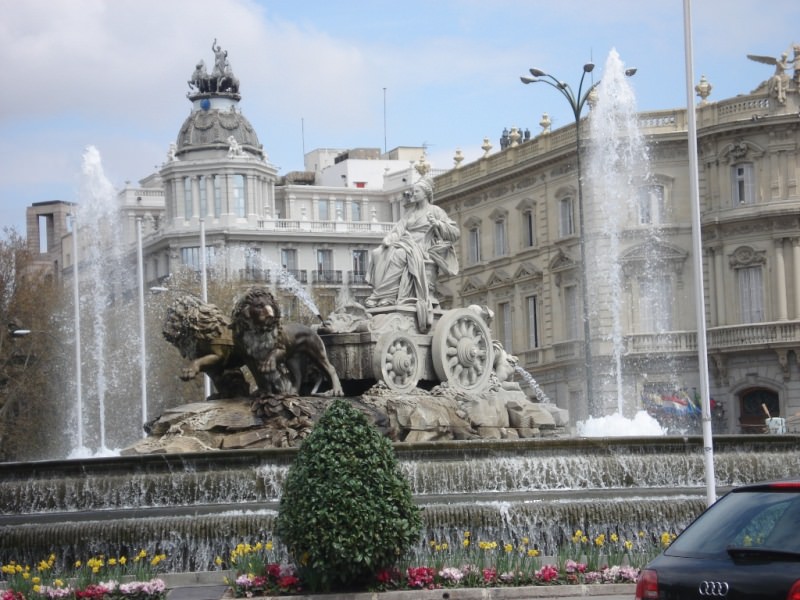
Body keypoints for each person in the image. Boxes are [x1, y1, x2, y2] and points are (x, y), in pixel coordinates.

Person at [365, 177, 459, 331]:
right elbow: (398, 230)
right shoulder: (410, 213)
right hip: (406, 242)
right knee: (377, 253)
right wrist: (389, 239)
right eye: (413, 191)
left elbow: (455, 233)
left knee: (400, 254)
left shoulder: (435, 211)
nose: (413, 194)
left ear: (425, 193)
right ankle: (384, 298)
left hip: (424, 247)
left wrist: (438, 224)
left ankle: (382, 295)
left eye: (416, 191)